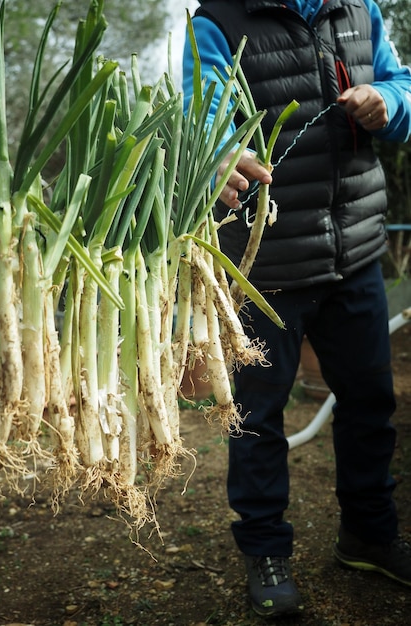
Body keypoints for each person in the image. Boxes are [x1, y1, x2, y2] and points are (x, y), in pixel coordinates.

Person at [182, 0, 411, 618]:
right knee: (256, 421)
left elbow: (401, 83)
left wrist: (387, 103)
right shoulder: (219, 22)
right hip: (268, 272)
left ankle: (369, 534)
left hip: (357, 253)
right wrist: (219, 157)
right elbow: (201, 123)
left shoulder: (360, 11)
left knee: (370, 404)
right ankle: (265, 553)